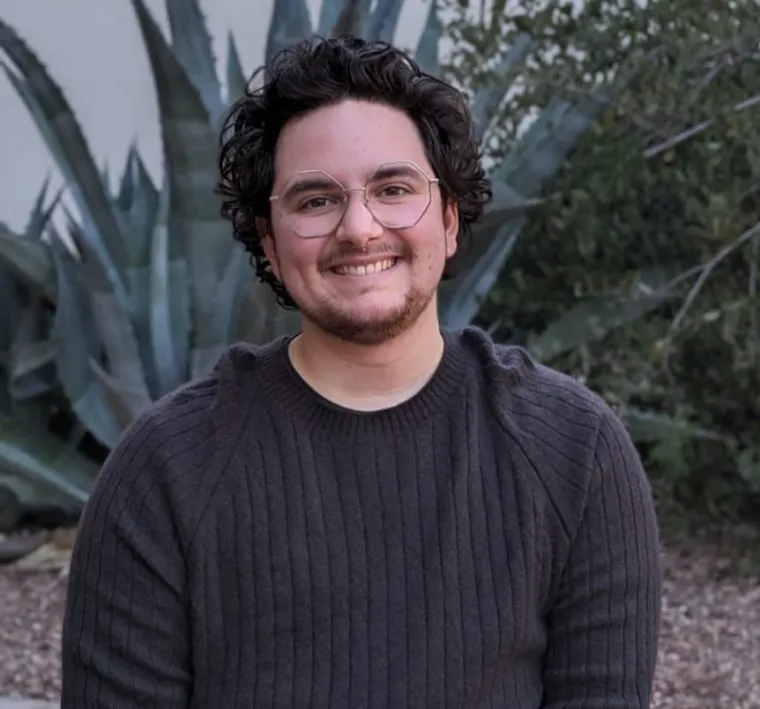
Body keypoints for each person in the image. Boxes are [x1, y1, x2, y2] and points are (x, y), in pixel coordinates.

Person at [60, 35, 662, 708]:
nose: (360, 227)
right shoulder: (165, 473)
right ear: (269, 239)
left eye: (394, 188)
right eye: (316, 200)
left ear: (450, 217)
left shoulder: (574, 457)